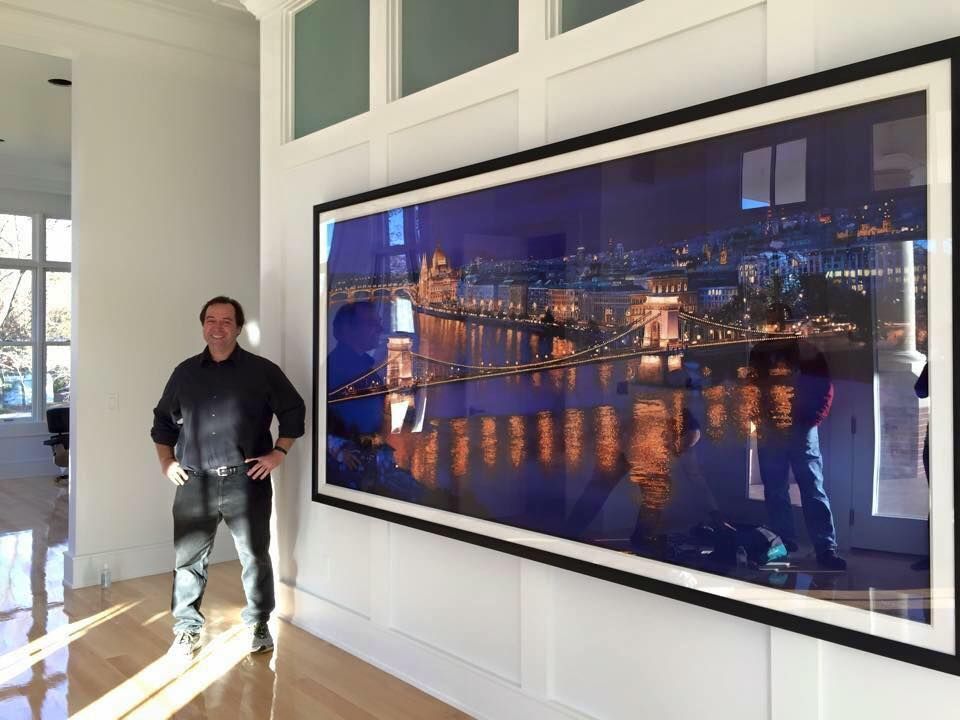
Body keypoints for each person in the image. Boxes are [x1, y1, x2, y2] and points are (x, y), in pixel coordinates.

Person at [151, 296, 305, 660]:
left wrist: (278, 453)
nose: (217, 327)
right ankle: (187, 630)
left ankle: (259, 623)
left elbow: (294, 412)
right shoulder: (185, 373)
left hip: (245, 481)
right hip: (193, 482)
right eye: (210, 320)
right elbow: (162, 422)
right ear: (202, 325)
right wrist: (166, 462)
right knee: (188, 561)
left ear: (238, 328)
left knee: (254, 557)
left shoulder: (263, 371)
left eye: (226, 321)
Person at [749, 304, 846, 570]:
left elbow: (753, 387)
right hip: (791, 428)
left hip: (786, 428)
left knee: (782, 489)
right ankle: (824, 548)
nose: (775, 325)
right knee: (809, 488)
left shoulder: (760, 352)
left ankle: (789, 543)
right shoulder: (805, 351)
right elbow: (824, 387)